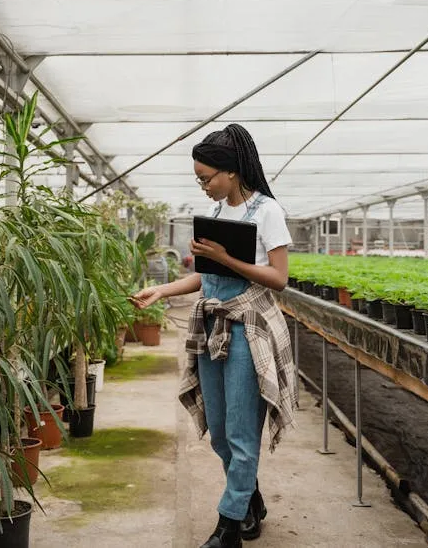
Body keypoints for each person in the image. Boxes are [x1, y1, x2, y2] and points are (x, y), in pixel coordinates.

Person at [133, 124, 298, 548]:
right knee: (221, 433)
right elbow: (207, 277)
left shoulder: (267, 212)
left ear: (231, 172)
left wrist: (227, 257)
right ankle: (250, 500)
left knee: (243, 434)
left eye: (206, 178)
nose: (203, 186)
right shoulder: (220, 213)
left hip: (248, 331)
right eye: (198, 179)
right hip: (212, 327)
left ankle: (228, 529)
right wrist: (162, 290)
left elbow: (279, 278)